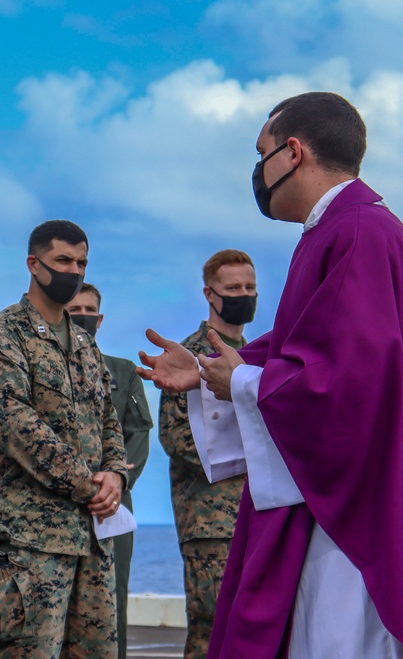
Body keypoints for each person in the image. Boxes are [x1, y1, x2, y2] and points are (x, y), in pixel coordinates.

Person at [137, 92, 403, 658]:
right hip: (360, 496)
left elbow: (347, 384)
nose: (258, 171)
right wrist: (205, 369)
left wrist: (240, 383)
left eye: (261, 153)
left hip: (357, 519)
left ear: (293, 153)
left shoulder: (357, 233)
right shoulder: (347, 229)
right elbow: (307, 345)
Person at [0, 220, 130, 659]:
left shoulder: (84, 343)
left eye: (81, 263)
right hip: (30, 540)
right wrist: (89, 483)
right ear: (34, 264)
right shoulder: (4, 335)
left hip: (91, 539)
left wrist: (116, 474)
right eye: (63, 260)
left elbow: (107, 420)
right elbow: (14, 424)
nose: (73, 271)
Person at [152, 250, 256, 659]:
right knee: (212, 633)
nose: (243, 295)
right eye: (233, 288)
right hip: (211, 524)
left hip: (254, 513)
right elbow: (178, 438)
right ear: (209, 294)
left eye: (250, 288)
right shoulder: (190, 358)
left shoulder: (252, 356)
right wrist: (257, 447)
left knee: (250, 634)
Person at [65, 282, 153, 659]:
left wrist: (115, 480)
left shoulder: (122, 372)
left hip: (112, 506)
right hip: (61, 501)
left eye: (88, 310)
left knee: (112, 602)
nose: (81, 316)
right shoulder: (43, 366)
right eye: (73, 310)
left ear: (100, 319)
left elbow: (139, 430)